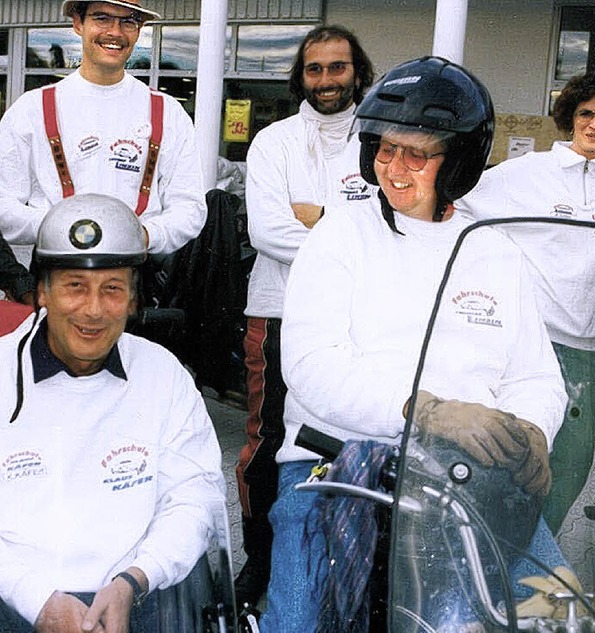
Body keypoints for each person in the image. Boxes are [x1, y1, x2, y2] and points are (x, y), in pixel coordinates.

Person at [259, 56, 567, 633]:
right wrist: (427, 411)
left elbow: (535, 375)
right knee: (296, 622)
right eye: (384, 149)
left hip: (470, 478)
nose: (395, 168)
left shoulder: (494, 251)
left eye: (417, 154)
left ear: (458, 163)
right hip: (336, 466)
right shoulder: (339, 236)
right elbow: (310, 365)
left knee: (559, 612)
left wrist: (531, 432)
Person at [0, 193, 226, 632]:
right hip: (11, 601)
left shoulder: (163, 374)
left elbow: (195, 496)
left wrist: (135, 580)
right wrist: (35, 597)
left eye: (113, 289)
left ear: (135, 300)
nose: (93, 310)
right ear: (41, 292)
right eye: (75, 286)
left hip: (137, 602)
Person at [456, 72, 595, 535]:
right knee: (518, 458)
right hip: (534, 341)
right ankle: (503, 558)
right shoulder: (528, 172)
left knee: (572, 467)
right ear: (569, 118)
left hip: (586, 350)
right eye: (586, 114)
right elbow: (460, 202)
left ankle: (534, 559)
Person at [234, 24, 375, 608]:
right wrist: (354, 227)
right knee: (270, 442)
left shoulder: (381, 137)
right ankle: (261, 562)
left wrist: (315, 216)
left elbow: (399, 223)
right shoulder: (273, 141)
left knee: (354, 436)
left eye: (337, 68)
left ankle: (350, 559)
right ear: (301, 76)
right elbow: (267, 231)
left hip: (361, 314)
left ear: (357, 72)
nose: (326, 80)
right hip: (278, 311)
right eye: (314, 69)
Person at [0, 0, 206, 258]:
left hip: (137, 271)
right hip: (55, 268)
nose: (115, 32)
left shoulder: (168, 112)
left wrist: (141, 234)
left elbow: (190, 207)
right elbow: (4, 204)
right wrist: (66, 229)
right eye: (102, 18)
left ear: (139, 28)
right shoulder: (31, 109)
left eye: (128, 21)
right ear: (78, 23)